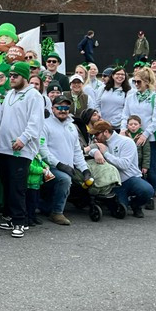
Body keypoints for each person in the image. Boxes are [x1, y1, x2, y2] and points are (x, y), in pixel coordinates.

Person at [0, 62, 45, 238]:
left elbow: (36, 121)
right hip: (4, 148)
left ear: (24, 77)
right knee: (7, 184)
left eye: (15, 76)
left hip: (20, 149)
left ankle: (20, 221)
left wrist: (23, 139)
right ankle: (10, 217)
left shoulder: (34, 95)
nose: (12, 79)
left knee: (17, 186)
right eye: (10, 76)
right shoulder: (9, 94)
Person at [40, 94, 91, 225]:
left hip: (68, 168)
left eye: (66, 107)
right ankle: (57, 213)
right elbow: (42, 150)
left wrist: (85, 169)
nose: (63, 110)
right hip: (48, 168)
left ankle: (48, 207)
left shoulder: (72, 127)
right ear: (52, 109)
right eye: (59, 107)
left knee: (86, 178)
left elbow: (77, 151)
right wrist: (59, 165)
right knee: (65, 179)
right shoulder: (45, 125)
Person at [122, 68, 156, 205]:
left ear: (147, 82)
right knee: (132, 166)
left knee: (149, 168)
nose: (136, 84)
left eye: (139, 81)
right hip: (131, 137)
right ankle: (133, 194)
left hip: (149, 139)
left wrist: (145, 134)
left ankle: (150, 195)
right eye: (134, 81)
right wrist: (123, 130)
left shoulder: (155, 97)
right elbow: (125, 115)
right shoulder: (131, 96)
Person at [92, 121, 155, 217]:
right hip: (114, 183)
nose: (95, 137)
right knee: (119, 211)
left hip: (130, 178)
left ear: (105, 132)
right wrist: (95, 151)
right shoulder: (101, 143)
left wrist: (105, 153)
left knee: (147, 190)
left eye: (97, 134)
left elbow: (124, 165)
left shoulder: (126, 142)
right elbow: (88, 149)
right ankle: (125, 202)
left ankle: (136, 205)